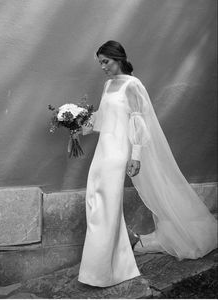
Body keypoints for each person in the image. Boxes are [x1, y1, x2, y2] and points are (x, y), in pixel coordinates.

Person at [78, 40, 217, 287]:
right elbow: (101, 119)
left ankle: (103, 271)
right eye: (99, 62)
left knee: (106, 206)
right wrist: (78, 125)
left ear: (118, 58)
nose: (102, 67)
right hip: (103, 150)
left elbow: (139, 122)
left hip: (119, 151)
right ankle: (115, 261)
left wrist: (136, 156)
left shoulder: (133, 85)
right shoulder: (108, 84)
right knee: (94, 201)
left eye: (105, 61)